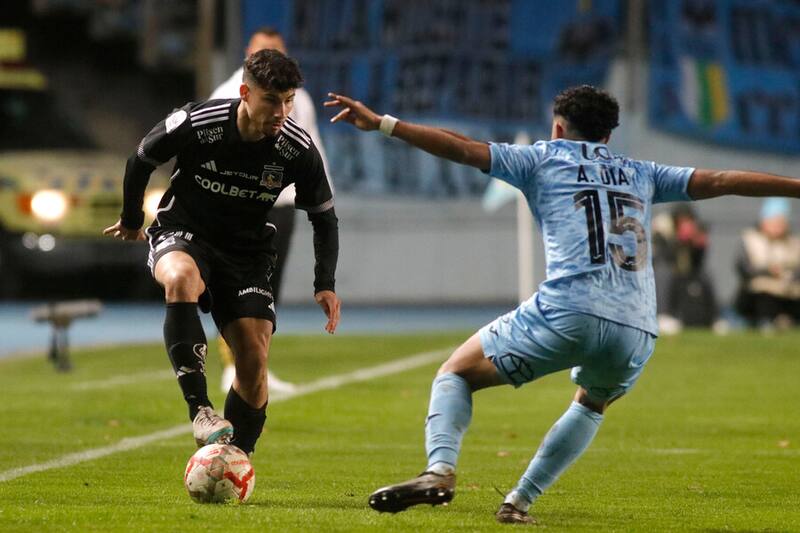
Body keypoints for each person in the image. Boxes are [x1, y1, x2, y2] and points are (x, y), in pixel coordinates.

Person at [324, 85, 800, 524]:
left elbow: (463, 148)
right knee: (591, 405)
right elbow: (721, 180)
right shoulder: (642, 172)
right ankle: (518, 501)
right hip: (637, 325)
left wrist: (384, 123)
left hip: (570, 308)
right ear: (608, 135)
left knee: (456, 372)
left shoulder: (541, 159)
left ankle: (440, 471)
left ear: (557, 127)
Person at [103, 49, 341, 457]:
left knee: (253, 362)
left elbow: (324, 215)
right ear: (246, 92)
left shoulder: (296, 148)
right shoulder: (199, 122)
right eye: (271, 100)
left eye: (288, 101)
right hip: (185, 231)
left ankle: (235, 460)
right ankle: (201, 411)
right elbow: (140, 158)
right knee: (180, 279)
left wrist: (325, 284)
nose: (282, 111)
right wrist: (130, 219)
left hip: (247, 252)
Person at [211, 26, 332, 394]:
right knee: (233, 286)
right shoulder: (227, 94)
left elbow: (311, 149)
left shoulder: (299, 100)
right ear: (249, 52)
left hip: (281, 202)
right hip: (240, 203)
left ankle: (257, 364)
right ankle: (232, 365)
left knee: (267, 288)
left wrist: (321, 199)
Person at [734, 197, 800, 330]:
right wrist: (768, 271)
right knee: (763, 292)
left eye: (781, 222)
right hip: (760, 293)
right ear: (764, 221)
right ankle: (766, 322)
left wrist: (789, 275)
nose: (777, 226)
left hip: (789, 290)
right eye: (773, 221)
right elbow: (744, 268)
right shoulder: (750, 239)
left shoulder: (794, 243)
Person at [652, 204, 717, 333]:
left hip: (683, 273)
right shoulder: (661, 229)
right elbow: (663, 257)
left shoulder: (695, 230)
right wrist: (680, 240)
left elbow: (697, 264)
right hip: (660, 272)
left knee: (705, 277)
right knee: (664, 273)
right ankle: (663, 315)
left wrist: (698, 247)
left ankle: (713, 319)